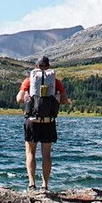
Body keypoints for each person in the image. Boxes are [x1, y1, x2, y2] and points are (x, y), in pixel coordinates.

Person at [16, 55, 70, 192]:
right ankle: (45, 186)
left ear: (36, 67)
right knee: (46, 155)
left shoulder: (29, 80)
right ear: (49, 67)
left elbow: (19, 99)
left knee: (30, 153)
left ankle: (31, 184)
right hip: (48, 121)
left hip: (32, 121)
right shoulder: (56, 81)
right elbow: (64, 100)